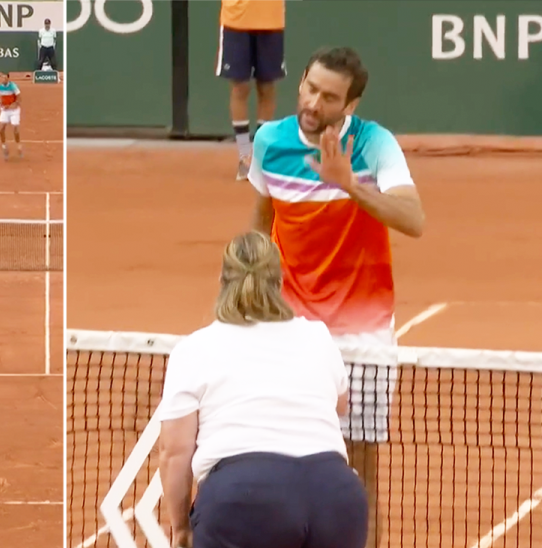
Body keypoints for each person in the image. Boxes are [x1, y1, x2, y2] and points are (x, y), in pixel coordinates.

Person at [247, 46, 425, 548]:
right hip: (290, 330)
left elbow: (413, 221)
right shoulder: (269, 140)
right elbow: (264, 220)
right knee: (278, 457)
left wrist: (348, 183)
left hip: (363, 335)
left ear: (351, 105)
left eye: (329, 97)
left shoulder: (373, 144)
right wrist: (246, 292)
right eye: (309, 87)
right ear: (300, 81)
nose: (313, 102)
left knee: (357, 472)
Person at [158, 231, 369, 548]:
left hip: (241, 501)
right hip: (336, 497)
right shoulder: (317, 337)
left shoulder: (194, 349)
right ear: (280, 282)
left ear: (223, 280)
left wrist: (180, 527)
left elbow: (174, 453)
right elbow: (339, 406)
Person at [216, 0, 286, 180]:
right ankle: (245, 156)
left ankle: (260, 155)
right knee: (240, 87)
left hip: (271, 19)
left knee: (267, 86)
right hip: (236, 20)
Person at [0, 72, 22, 160]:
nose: (3, 79)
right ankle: (4, 146)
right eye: (1, 78)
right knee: (1, 129)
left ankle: (18, 145)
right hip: (5, 111)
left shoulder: (13, 86)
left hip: (14, 110)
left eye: (4, 77)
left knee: (15, 130)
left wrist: (11, 106)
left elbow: (19, 98)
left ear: (8, 78)